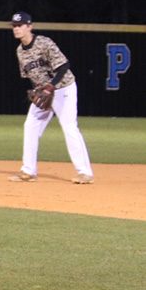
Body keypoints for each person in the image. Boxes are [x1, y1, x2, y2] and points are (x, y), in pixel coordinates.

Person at [8, 11, 93, 184]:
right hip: (44, 93)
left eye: (20, 25)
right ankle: (28, 171)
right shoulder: (20, 51)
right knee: (30, 125)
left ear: (29, 27)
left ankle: (85, 173)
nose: (16, 29)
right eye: (14, 26)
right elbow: (32, 76)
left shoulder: (44, 43)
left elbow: (63, 66)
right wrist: (39, 92)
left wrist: (51, 86)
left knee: (69, 126)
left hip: (63, 88)